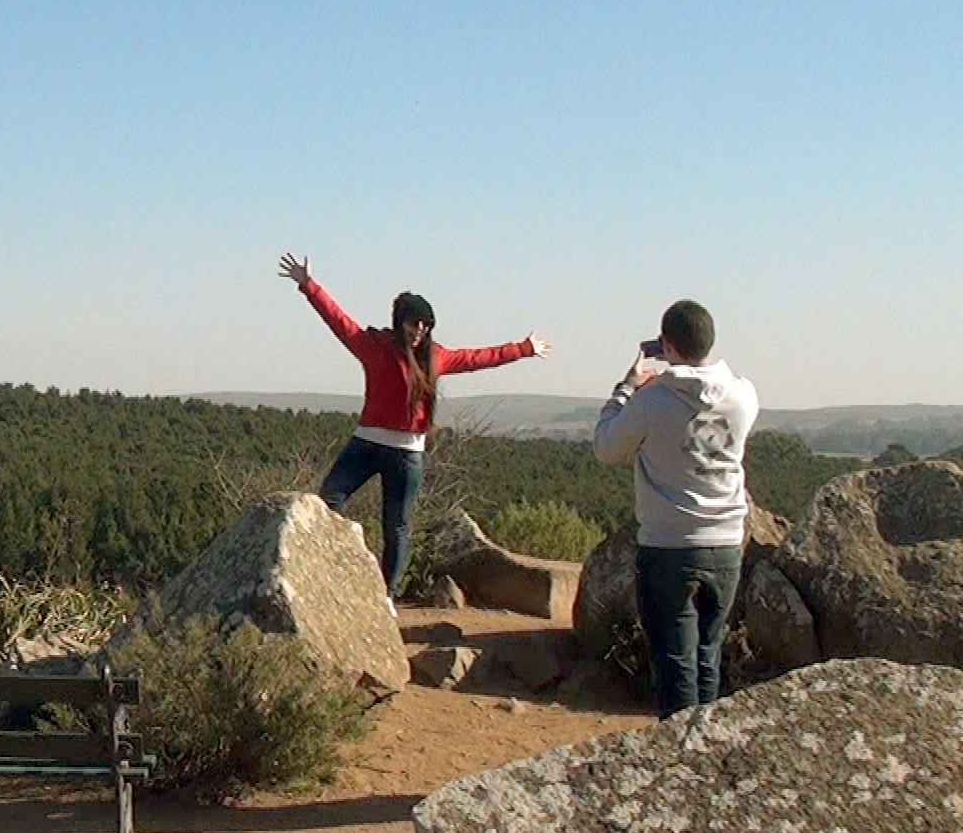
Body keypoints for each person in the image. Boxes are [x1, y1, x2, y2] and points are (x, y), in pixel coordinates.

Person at [278, 253, 550, 605]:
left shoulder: (435, 358)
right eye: (413, 323)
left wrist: (523, 349)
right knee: (329, 499)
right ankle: (337, 566)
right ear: (399, 321)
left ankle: (385, 597)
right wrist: (308, 285)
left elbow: (477, 358)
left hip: (408, 453)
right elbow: (339, 321)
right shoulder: (374, 347)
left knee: (397, 527)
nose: (419, 331)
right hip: (367, 442)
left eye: (425, 325)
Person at [592, 300, 759, 720]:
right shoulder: (743, 396)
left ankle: (679, 755)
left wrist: (626, 389)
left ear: (666, 345)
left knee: (674, 663)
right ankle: (704, 752)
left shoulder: (652, 401)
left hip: (668, 545)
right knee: (708, 655)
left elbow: (607, 449)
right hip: (725, 543)